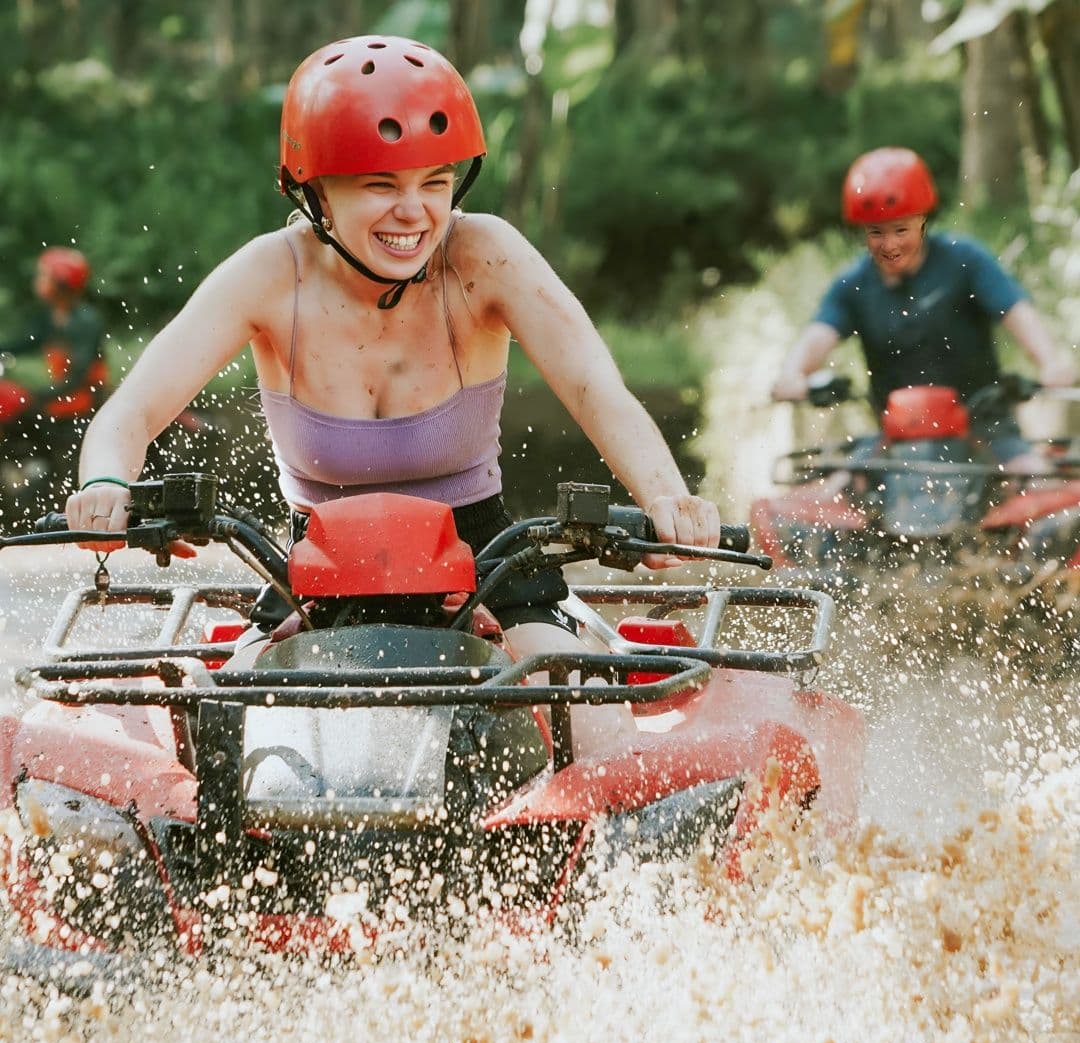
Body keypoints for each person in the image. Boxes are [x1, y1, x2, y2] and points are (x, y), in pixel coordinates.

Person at [64, 35, 722, 754]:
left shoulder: (484, 255)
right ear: (315, 191)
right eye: (381, 185)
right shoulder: (268, 274)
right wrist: (104, 486)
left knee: (590, 726)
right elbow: (131, 413)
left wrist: (665, 498)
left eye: (435, 182)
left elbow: (598, 390)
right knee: (218, 738)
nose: (414, 213)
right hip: (313, 571)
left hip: (487, 555)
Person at [771, 147, 1075, 469]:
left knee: (1034, 479)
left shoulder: (965, 261)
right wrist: (792, 373)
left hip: (984, 429)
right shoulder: (853, 285)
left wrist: (1050, 362)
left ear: (921, 221)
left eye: (900, 229)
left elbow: (1016, 312)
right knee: (832, 493)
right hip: (896, 440)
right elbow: (819, 334)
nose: (889, 244)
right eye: (877, 231)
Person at [0, 247, 108, 484]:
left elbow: (79, 377)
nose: (38, 281)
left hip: (83, 409)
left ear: (61, 283)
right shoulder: (49, 317)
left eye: (43, 275)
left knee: (69, 474)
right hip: (60, 404)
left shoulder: (85, 322)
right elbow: (22, 343)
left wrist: (40, 396)